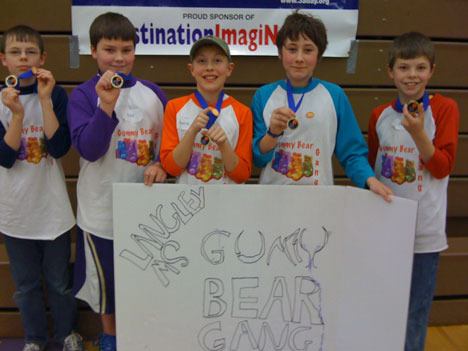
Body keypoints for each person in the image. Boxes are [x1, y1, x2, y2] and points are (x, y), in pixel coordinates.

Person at [67, 12, 167, 351]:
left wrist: (160, 163)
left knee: (144, 278)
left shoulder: (154, 93)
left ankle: (141, 335)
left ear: (135, 52)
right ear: (93, 51)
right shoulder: (82, 95)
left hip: (146, 211)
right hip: (101, 212)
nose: (119, 57)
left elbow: (168, 148)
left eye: (126, 49)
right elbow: (90, 150)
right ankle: (110, 335)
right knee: (106, 283)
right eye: (110, 49)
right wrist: (105, 107)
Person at [367, 31, 459, 351]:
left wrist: (419, 134)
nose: (412, 76)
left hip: (424, 233)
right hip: (386, 230)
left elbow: (442, 166)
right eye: (404, 68)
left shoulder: (445, 109)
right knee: (382, 306)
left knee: (415, 312)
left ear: (431, 70)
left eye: (420, 68)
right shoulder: (379, 115)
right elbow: (373, 168)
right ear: (391, 71)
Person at [0, 25, 83, 351]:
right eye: (16, 52)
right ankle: (34, 338)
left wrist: (45, 100)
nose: (23, 58)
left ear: (42, 57)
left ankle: (67, 333)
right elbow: (5, 158)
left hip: (52, 210)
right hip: (15, 211)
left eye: (30, 52)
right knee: (26, 285)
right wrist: (17, 115)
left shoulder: (57, 94)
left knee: (60, 283)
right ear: (4, 59)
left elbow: (60, 146)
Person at [251, 12, 392, 201]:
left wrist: (368, 180)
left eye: (308, 50)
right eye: (292, 49)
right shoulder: (264, 96)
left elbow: (352, 153)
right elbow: (258, 159)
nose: (299, 58)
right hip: (272, 200)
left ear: (319, 55)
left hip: (319, 202)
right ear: (279, 52)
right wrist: (273, 133)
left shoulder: (335, 96)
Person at [160, 36, 252, 184]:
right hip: (186, 201)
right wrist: (192, 131)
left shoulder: (242, 112)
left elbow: (242, 175)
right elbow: (171, 168)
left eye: (217, 61)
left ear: (229, 69)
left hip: (227, 202)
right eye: (202, 61)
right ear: (192, 69)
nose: (209, 67)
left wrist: (224, 145)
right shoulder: (175, 107)